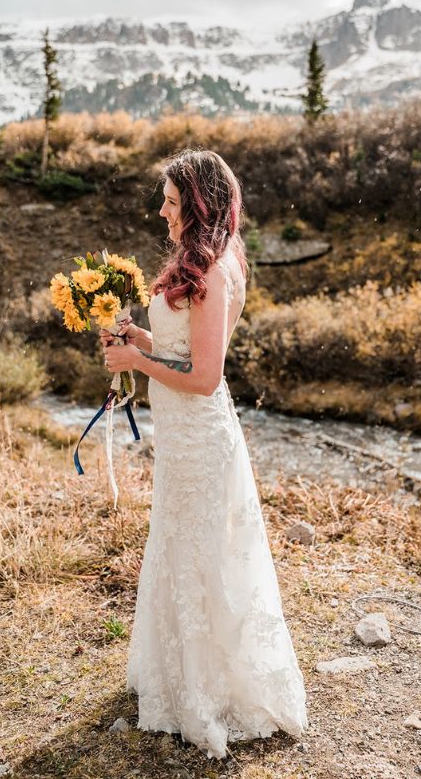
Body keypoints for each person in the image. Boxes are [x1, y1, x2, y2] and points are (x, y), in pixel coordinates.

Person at [101, 149, 307, 756]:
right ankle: (175, 678)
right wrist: (138, 337)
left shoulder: (215, 271)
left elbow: (204, 377)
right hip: (180, 439)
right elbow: (180, 349)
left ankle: (213, 688)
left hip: (202, 439)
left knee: (206, 559)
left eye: (170, 201)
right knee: (180, 550)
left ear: (197, 205)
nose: (162, 212)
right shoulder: (196, 263)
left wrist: (137, 361)